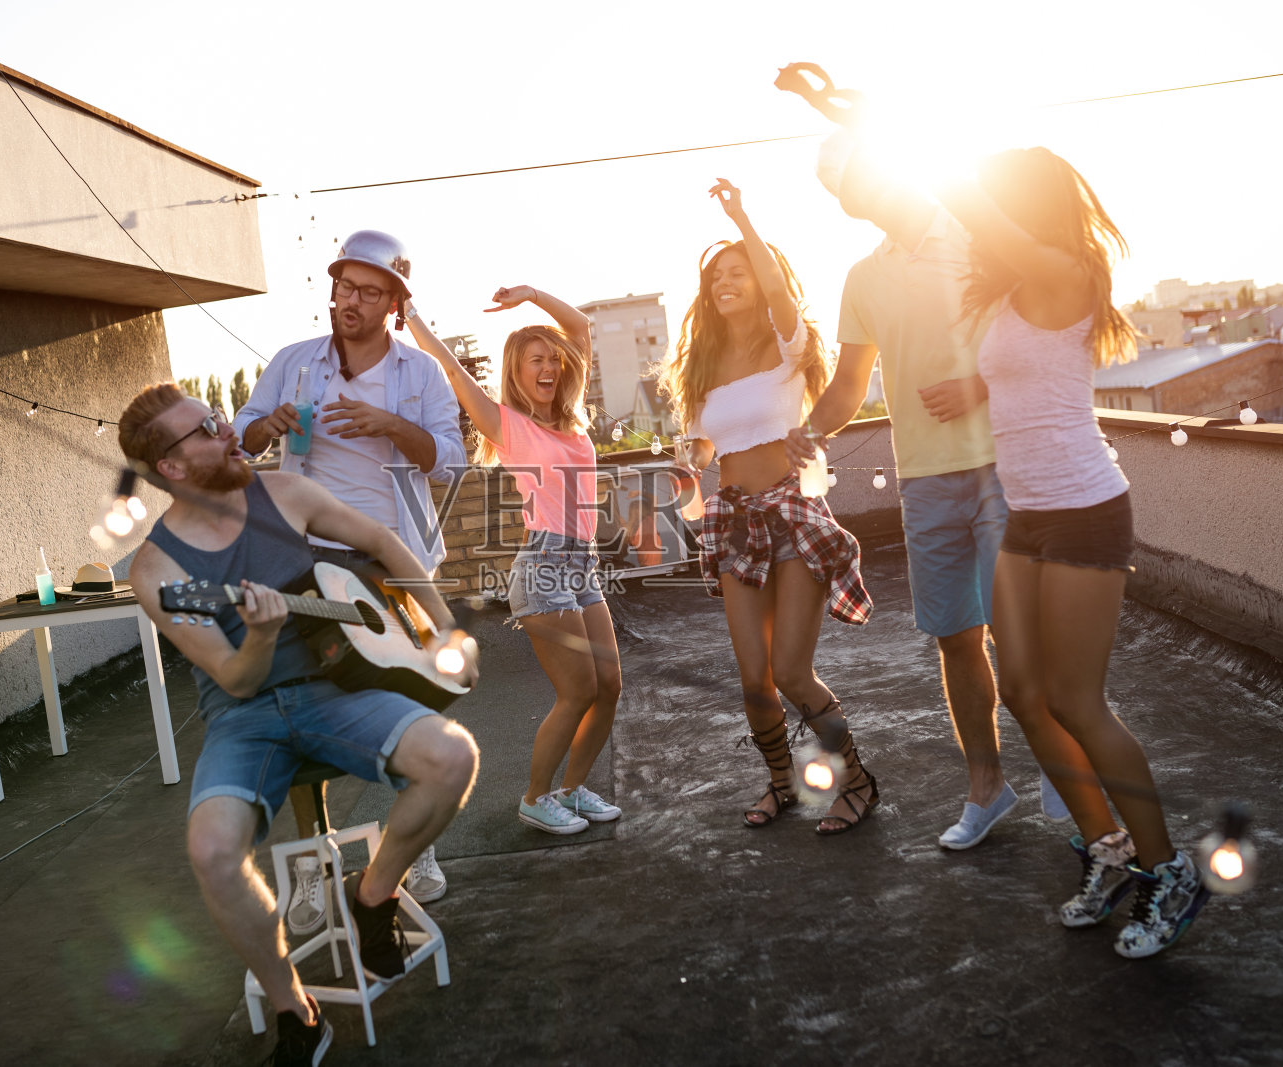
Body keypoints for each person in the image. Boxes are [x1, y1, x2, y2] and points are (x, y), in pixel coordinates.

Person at [120, 384, 480, 1064]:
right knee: (212, 853)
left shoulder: (284, 492)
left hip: (332, 686)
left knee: (454, 757)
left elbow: (381, 540)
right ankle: (296, 1009)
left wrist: (446, 633)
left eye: (218, 417)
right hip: (243, 715)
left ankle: (372, 891)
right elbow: (235, 677)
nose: (228, 430)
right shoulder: (158, 569)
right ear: (170, 466)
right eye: (204, 428)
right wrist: (259, 636)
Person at [776, 62, 1067, 851]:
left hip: (1004, 463)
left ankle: (1065, 779)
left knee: (1020, 636)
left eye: (868, 179)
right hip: (927, 482)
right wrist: (815, 430)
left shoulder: (975, 233)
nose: (863, 197)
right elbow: (846, 386)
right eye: (848, 193)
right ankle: (988, 787)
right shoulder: (861, 278)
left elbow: (1041, 323)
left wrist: (980, 382)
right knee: (956, 638)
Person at [939, 147, 1209, 957]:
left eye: (1000, 194)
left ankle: (1170, 870)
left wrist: (866, 120)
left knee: (1078, 699)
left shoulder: (1063, 269)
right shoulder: (1011, 288)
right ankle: (1109, 850)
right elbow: (1028, 373)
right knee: (1023, 689)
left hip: (1088, 509)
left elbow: (961, 199)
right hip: (1028, 514)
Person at [233, 230, 464, 928]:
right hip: (306, 560)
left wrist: (389, 423)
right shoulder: (294, 364)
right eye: (344, 287)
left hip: (396, 563)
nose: (351, 302)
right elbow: (238, 437)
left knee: (413, 700)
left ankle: (411, 844)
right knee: (307, 706)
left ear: (396, 302)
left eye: (369, 291)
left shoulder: (418, 372)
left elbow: (449, 459)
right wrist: (263, 425)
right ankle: (314, 858)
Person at [657, 179, 874, 834]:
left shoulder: (788, 346)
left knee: (790, 670)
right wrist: (687, 469)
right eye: (716, 274)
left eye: (738, 271)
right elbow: (700, 447)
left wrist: (740, 218)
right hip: (732, 517)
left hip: (790, 514)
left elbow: (780, 292)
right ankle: (782, 783)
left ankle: (856, 780)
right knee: (754, 679)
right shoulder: (700, 366)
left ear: (759, 278)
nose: (725, 280)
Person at [405, 286, 624, 835]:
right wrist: (408, 312)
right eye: (536, 361)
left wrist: (529, 294)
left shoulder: (572, 422)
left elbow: (580, 328)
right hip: (545, 566)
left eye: (553, 359)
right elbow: (451, 369)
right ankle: (535, 797)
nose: (549, 367)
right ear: (518, 372)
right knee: (577, 692)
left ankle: (572, 791)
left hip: (584, 564)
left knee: (610, 685)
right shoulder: (507, 425)